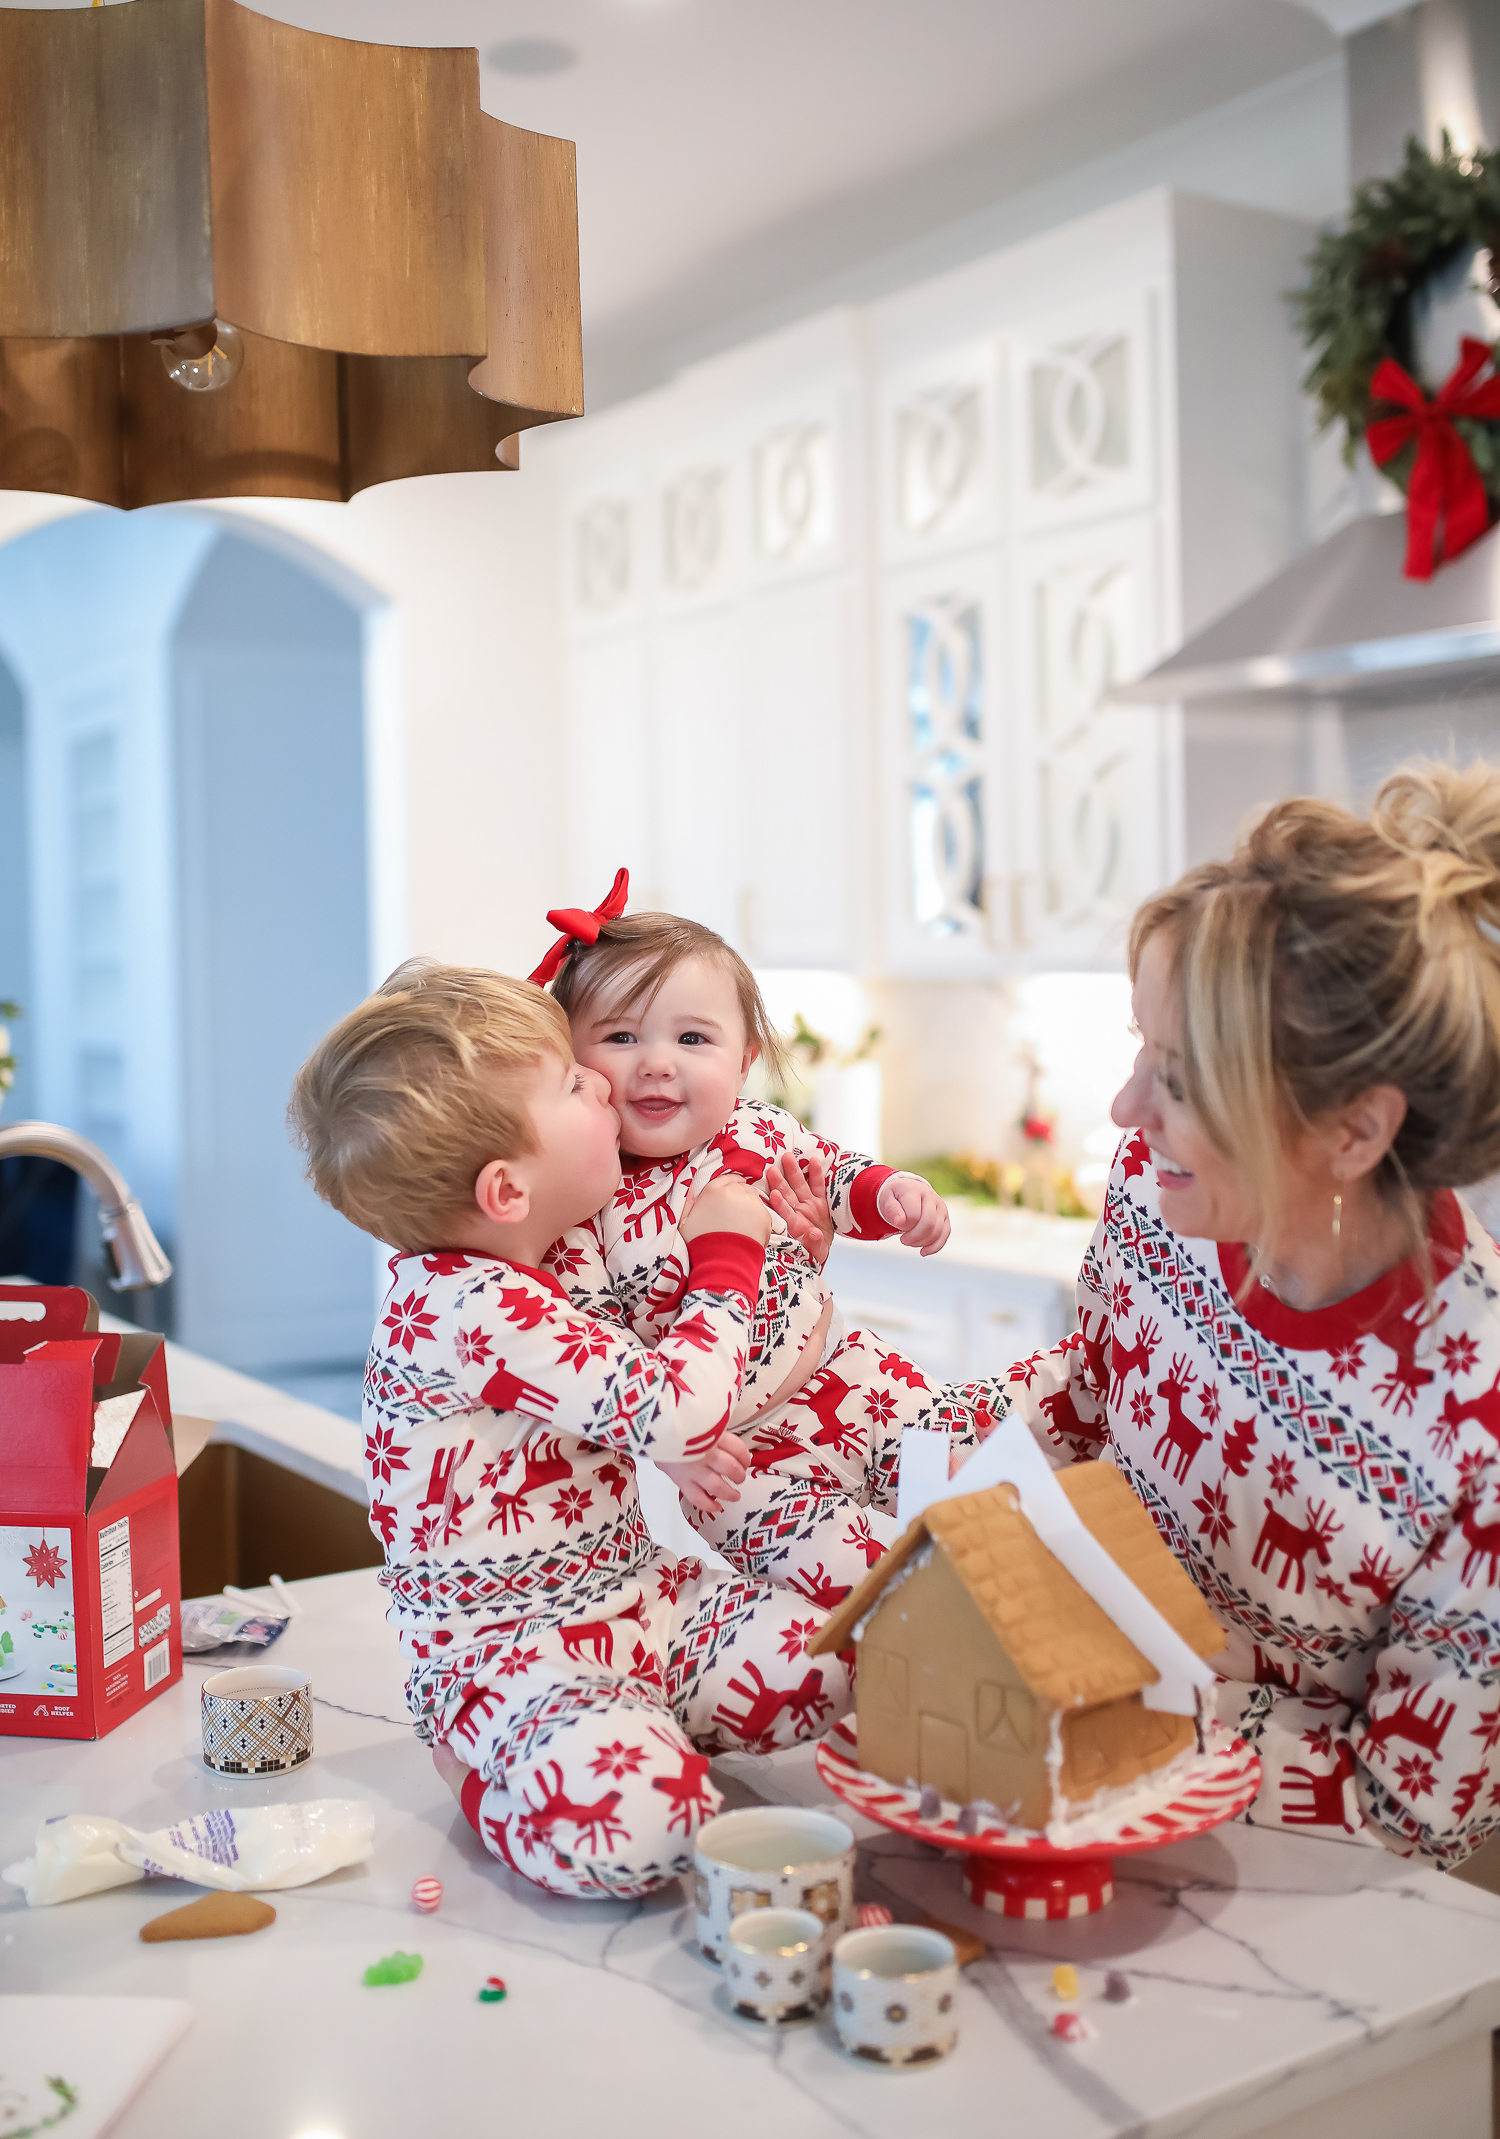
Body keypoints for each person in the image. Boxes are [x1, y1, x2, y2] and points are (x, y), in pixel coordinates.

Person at [956, 761, 1500, 1867]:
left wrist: (1123, 1717)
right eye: (1140, 1052)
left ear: (1353, 1132)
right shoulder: (1162, 1199)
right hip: (1068, 1789)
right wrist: (898, 1451)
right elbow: (1094, 1386)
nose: (1123, 1110)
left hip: (1295, 1900)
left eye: (1184, 1080)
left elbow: (1415, 1807)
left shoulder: (1476, 1423)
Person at [288, 961, 852, 1900]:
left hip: (639, 1598)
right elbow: (678, 1404)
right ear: (507, 1188)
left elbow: (686, 1335)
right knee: (657, 1833)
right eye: (572, 1082)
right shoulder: (468, 1304)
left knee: (835, 1657)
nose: (603, 1079)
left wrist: (792, 1246)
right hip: (515, 1650)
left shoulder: (543, 1243)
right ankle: (478, 1767)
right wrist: (726, 1255)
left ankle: (634, 1723)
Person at [533, 883, 976, 1608]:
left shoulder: (755, 1128)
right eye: (620, 1037)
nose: (656, 1062)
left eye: (692, 1038)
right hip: (744, 1457)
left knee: (983, 1516)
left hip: (856, 1375)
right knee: (883, 1593)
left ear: (745, 1060)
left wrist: (894, 1193)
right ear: (570, 1062)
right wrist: (667, 1447)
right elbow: (600, 1356)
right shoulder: (584, 1199)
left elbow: (837, 1174)